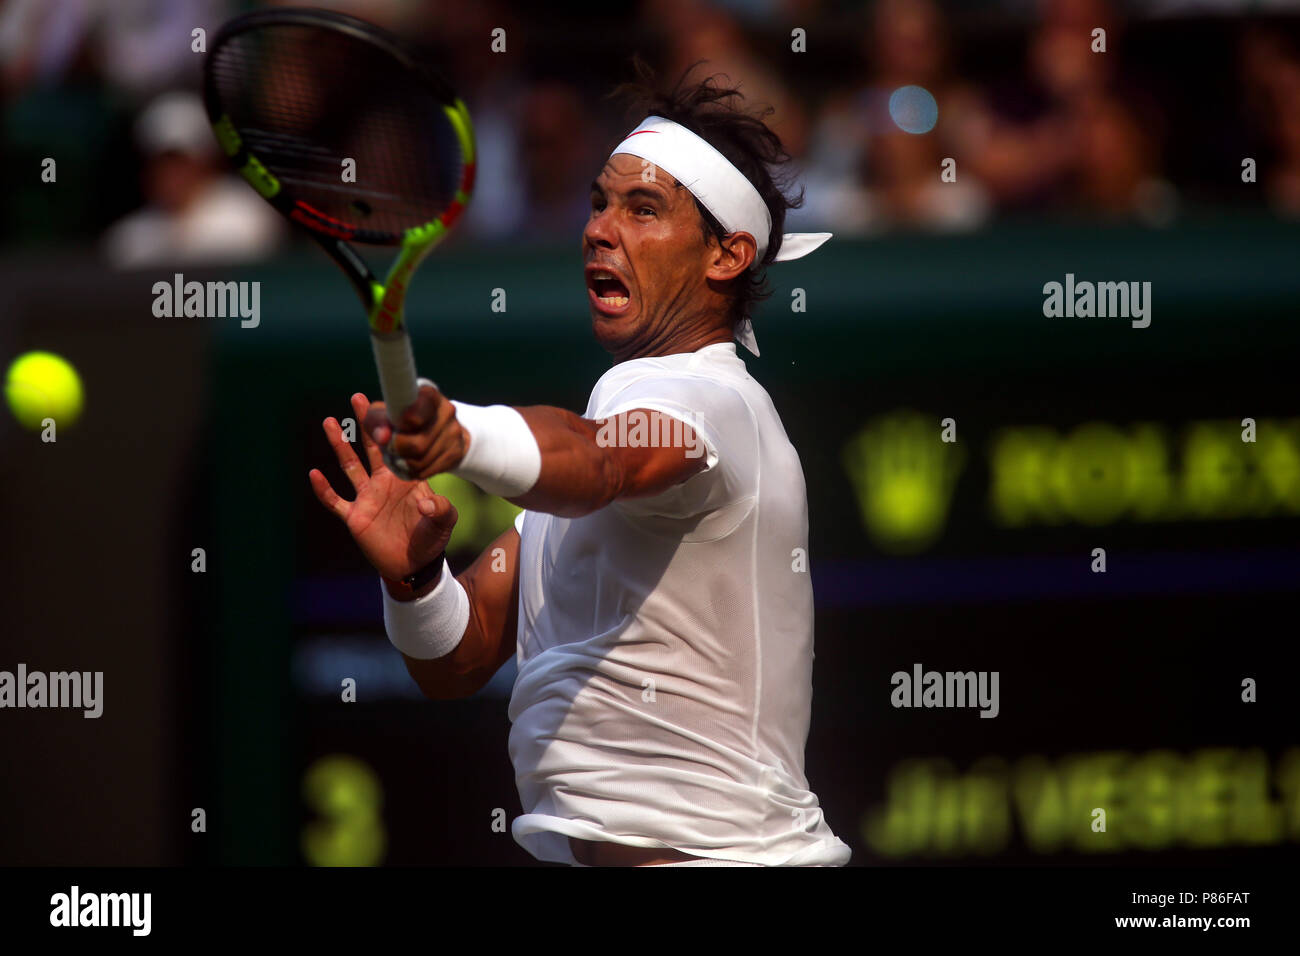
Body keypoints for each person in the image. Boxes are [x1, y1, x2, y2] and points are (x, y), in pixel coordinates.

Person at [308, 65, 850, 867]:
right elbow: (461, 660)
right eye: (599, 203)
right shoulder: (601, 449)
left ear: (727, 256)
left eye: (643, 209)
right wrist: (417, 582)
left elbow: (599, 461)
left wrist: (465, 438)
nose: (600, 229)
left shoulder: (716, 406)